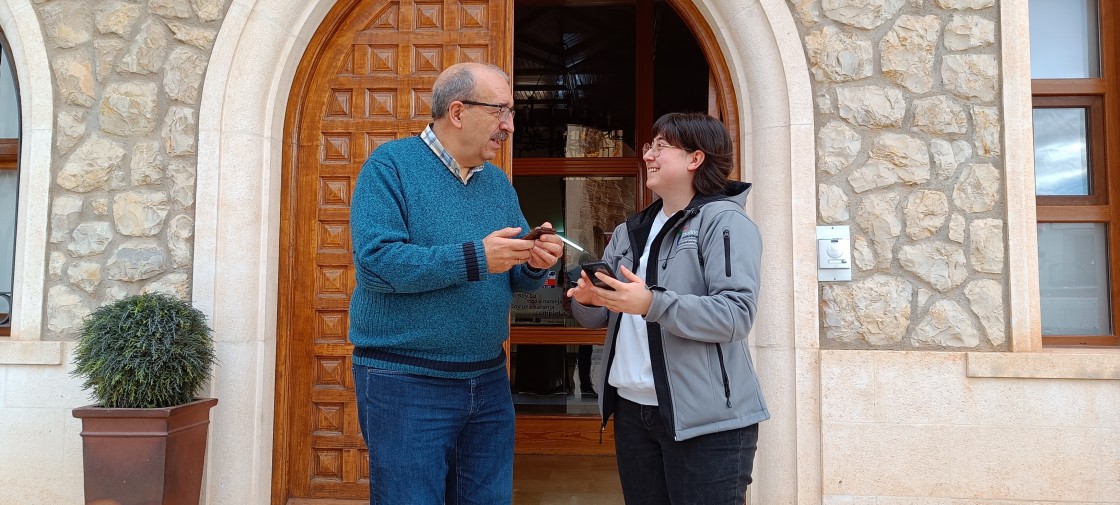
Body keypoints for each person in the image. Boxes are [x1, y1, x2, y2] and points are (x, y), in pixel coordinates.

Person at [348, 62, 563, 505]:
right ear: (459, 111)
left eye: (512, 112)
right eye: (500, 110)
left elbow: (512, 272)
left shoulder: (498, 184)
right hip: (404, 381)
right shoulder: (389, 166)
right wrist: (476, 257)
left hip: (487, 380)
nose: (509, 125)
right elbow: (377, 263)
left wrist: (535, 261)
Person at [566, 112, 767, 505]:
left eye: (660, 147)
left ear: (695, 158)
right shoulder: (631, 230)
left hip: (706, 423)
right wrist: (593, 301)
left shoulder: (724, 221)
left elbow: (736, 313)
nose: (647, 156)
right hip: (633, 413)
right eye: (648, 147)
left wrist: (652, 303)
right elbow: (603, 317)